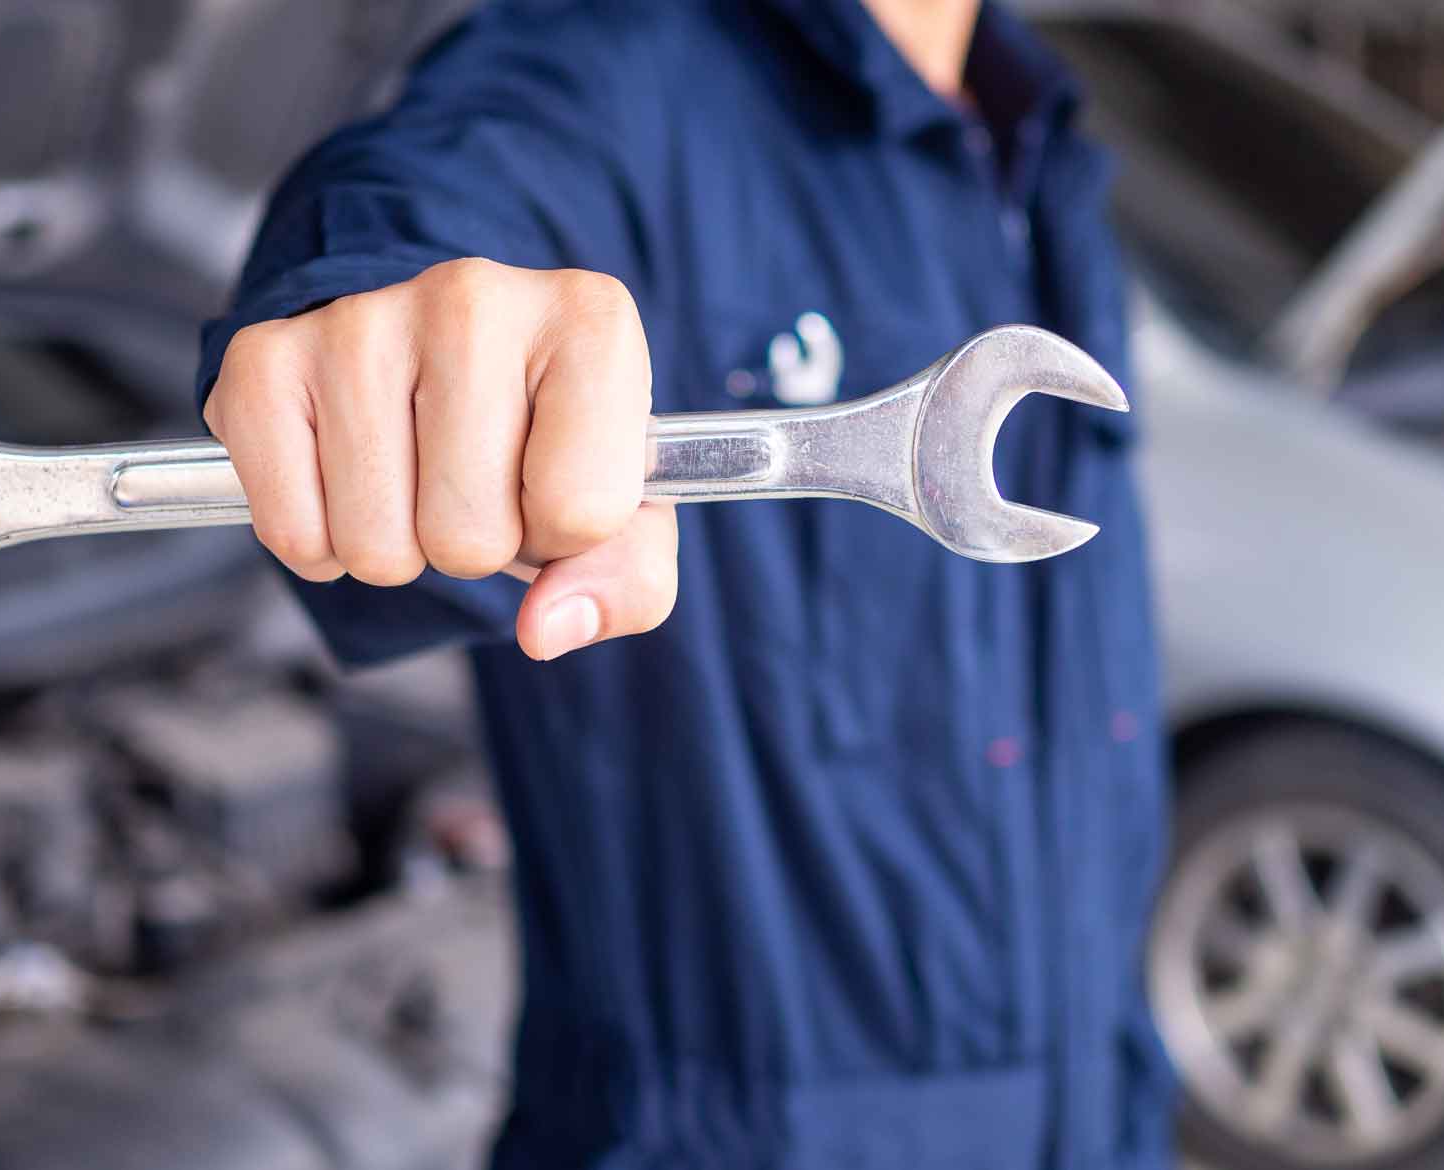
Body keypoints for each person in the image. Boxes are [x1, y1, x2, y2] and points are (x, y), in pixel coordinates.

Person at [196, 0, 1171, 1165]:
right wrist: (379, 324)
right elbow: (426, 203)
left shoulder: (1036, 147)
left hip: (1096, 1105)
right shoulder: (606, 69)